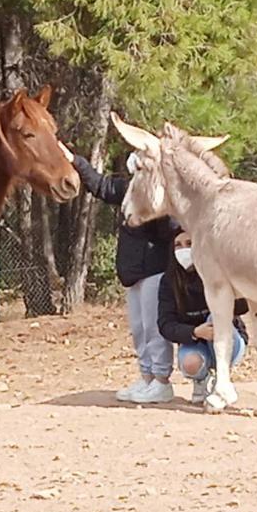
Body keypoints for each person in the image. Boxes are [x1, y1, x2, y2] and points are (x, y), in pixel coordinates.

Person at [71, 151, 177, 403]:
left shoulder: (162, 195)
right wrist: (74, 160)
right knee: (140, 329)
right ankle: (147, 378)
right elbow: (101, 186)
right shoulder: (127, 189)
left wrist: (146, 216)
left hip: (155, 270)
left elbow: (171, 229)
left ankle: (162, 381)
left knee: (154, 329)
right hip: (133, 274)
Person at [158, 229, 250, 405]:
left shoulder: (218, 271)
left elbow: (243, 306)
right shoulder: (168, 281)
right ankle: (201, 381)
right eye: (178, 246)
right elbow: (165, 324)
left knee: (214, 319)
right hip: (195, 341)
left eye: (189, 244)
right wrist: (195, 332)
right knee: (190, 363)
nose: (183, 250)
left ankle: (222, 380)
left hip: (229, 339)